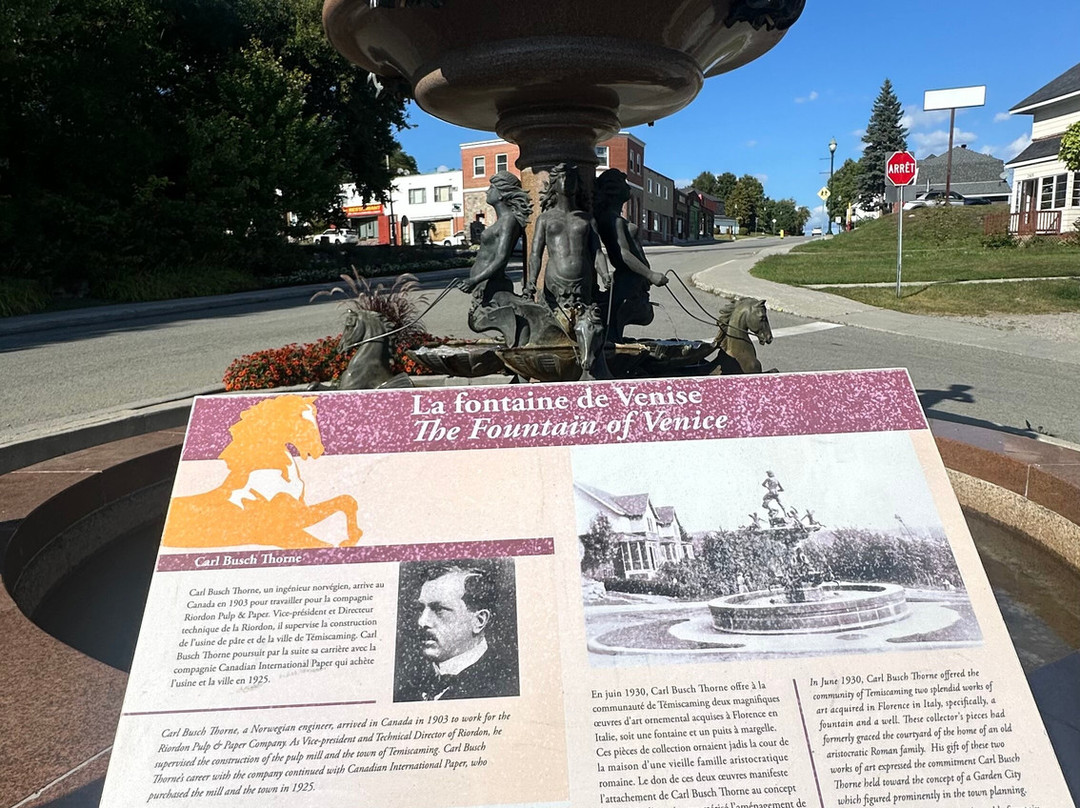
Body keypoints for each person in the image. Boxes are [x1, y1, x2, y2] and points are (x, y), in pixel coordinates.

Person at [396, 564, 517, 702]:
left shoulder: (506, 686)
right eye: (421, 608)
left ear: (479, 621)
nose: (422, 622)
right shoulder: (408, 688)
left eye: (439, 609)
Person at [593, 168, 668, 341]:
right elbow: (622, 254)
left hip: (634, 279)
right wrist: (650, 274)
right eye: (624, 184)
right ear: (614, 189)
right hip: (627, 280)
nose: (629, 188)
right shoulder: (613, 220)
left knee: (620, 320)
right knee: (616, 320)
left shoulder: (614, 218)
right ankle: (614, 357)